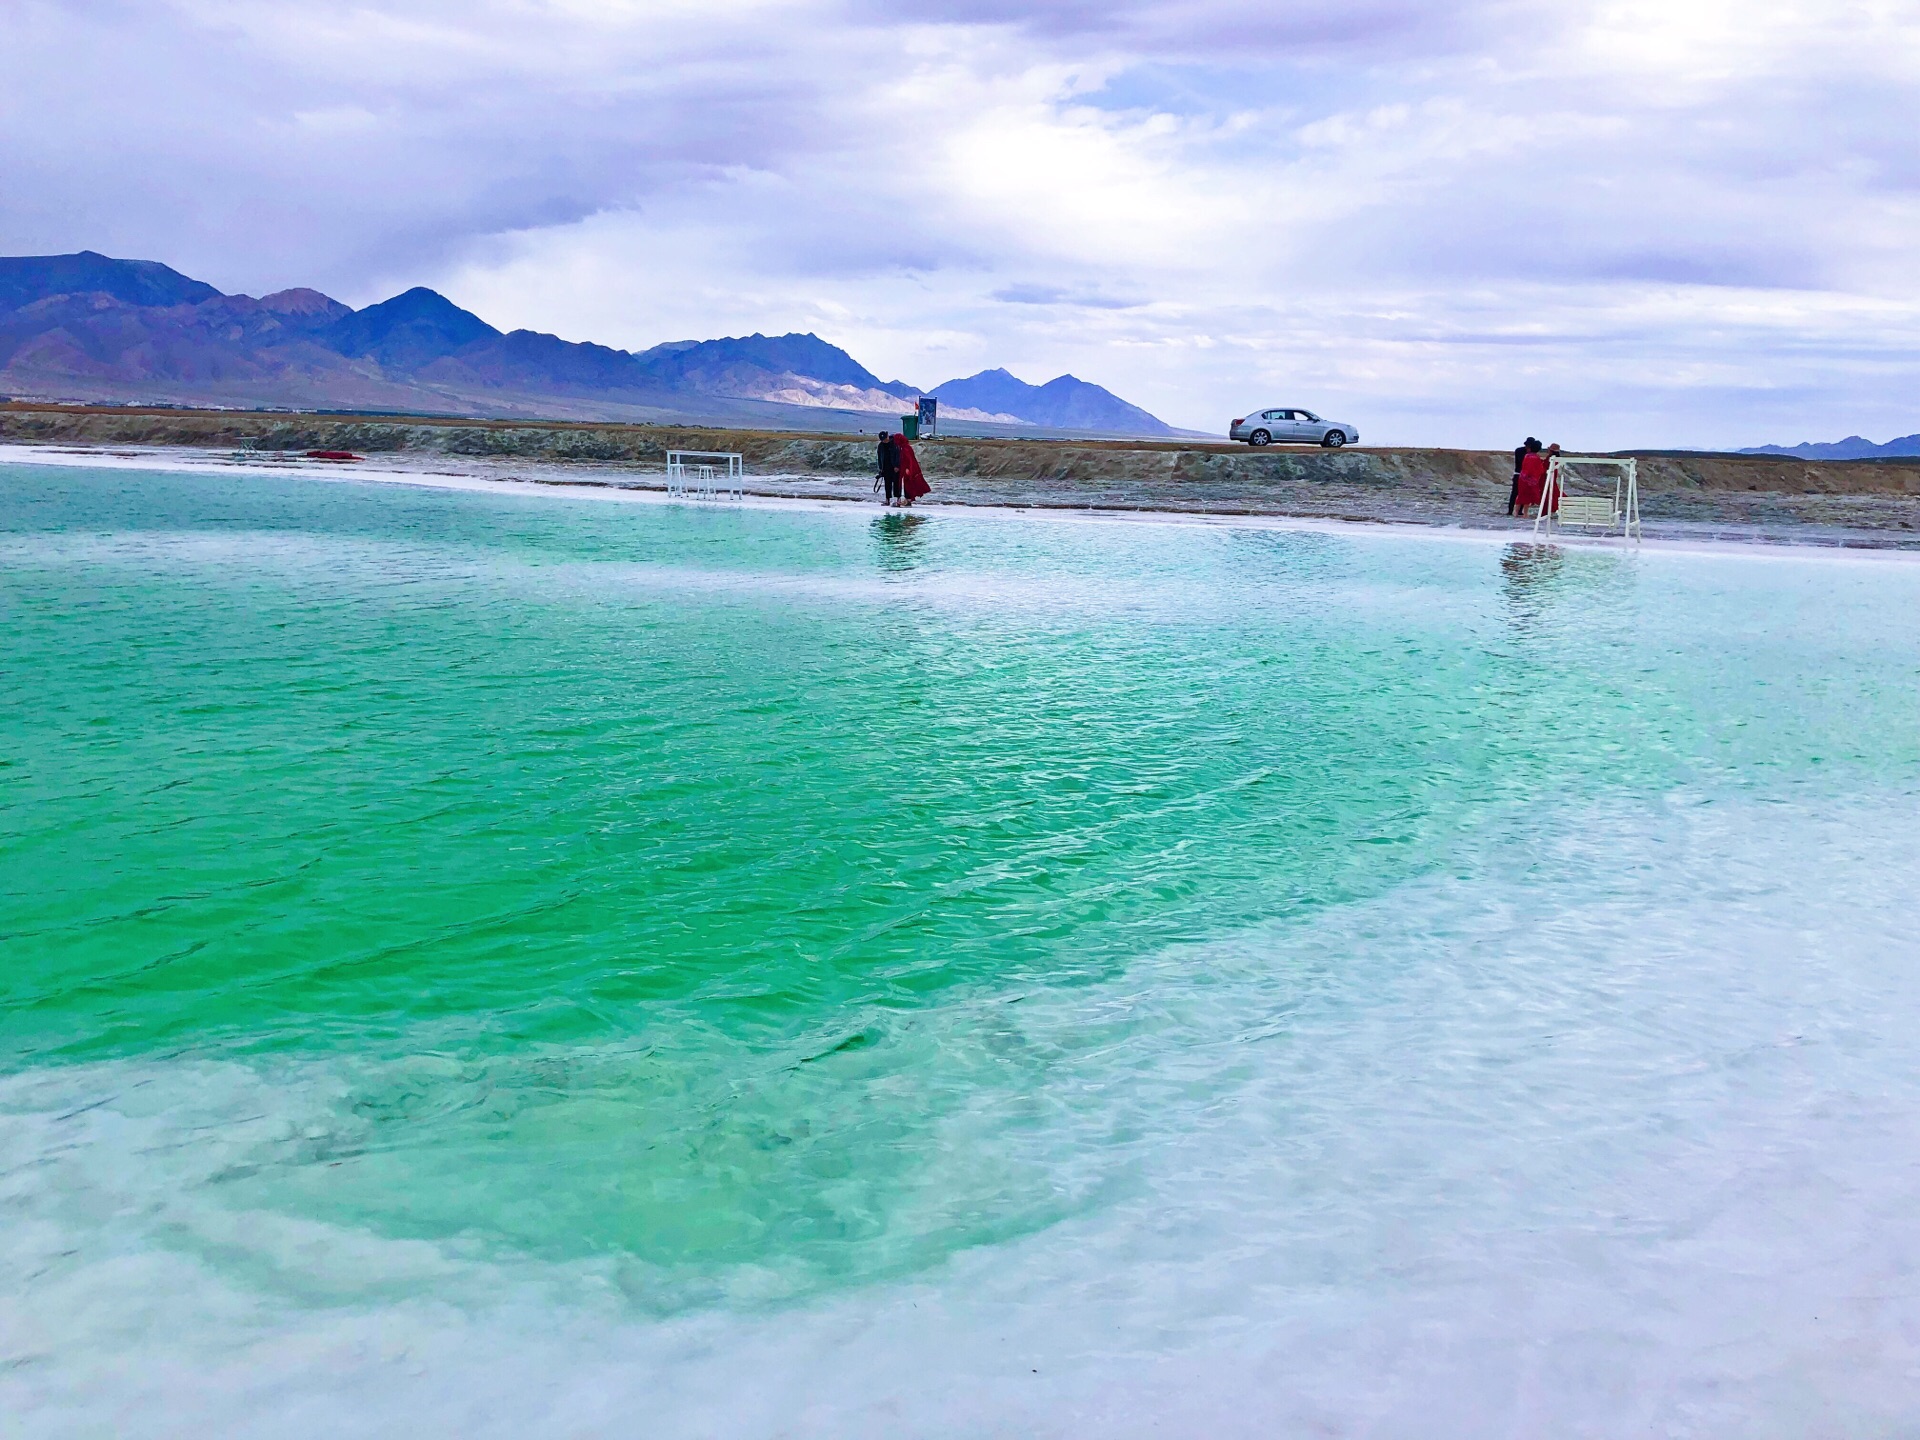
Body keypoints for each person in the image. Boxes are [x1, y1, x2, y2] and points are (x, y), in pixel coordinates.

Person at [1513, 440, 1561, 516]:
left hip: (1523, 478)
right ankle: (1525, 513)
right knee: (1528, 497)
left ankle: (1516, 512)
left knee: (1521, 495)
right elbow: (1540, 469)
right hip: (1534, 479)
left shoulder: (1527, 456)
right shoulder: (1539, 458)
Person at [893, 431, 930, 507]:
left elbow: (909, 459)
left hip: (909, 469)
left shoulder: (905, 448)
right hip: (908, 468)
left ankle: (908, 500)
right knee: (908, 484)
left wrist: (908, 469)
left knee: (908, 484)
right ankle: (908, 500)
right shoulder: (905, 447)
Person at [1508, 437, 1539, 516]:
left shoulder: (1519, 450)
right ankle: (1516, 511)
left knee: (1516, 493)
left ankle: (1513, 510)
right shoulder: (1529, 454)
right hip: (1522, 474)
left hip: (1518, 473)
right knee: (1520, 493)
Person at [876, 430, 902, 506]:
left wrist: (897, 465)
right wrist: (881, 467)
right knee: (887, 484)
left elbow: (898, 455)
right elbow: (879, 457)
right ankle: (887, 500)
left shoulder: (894, 444)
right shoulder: (880, 446)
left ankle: (898, 500)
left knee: (897, 484)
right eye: (883, 440)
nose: (885, 441)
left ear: (887, 436)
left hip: (894, 467)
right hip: (886, 467)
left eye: (885, 439)